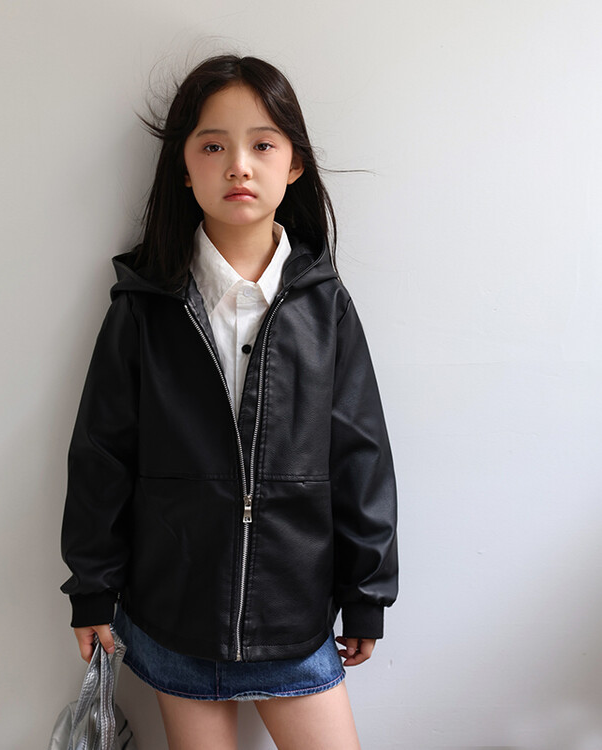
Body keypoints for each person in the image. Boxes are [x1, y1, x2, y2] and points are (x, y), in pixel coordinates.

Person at [59, 54, 398, 750]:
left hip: (295, 618)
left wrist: (367, 592)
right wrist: (92, 586)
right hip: (175, 614)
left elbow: (360, 453)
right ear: (184, 169)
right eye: (213, 146)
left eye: (262, 144)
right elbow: (102, 450)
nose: (238, 165)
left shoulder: (324, 305)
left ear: (294, 165)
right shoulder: (144, 305)